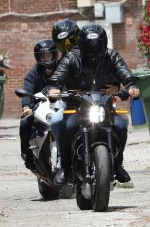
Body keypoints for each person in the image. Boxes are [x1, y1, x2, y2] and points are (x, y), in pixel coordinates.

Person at [49, 23, 139, 185]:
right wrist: (54, 88)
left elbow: (125, 73)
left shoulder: (112, 56)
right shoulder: (72, 57)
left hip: (104, 106)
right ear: (82, 45)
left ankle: (117, 165)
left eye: (97, 48)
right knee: (67, 127)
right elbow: (58, 77)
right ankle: (66, 168)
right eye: (89, 48)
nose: (93, 52)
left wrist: (132, 86)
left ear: (103, 44)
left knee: (120, 125)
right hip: (76, 106)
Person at [19, 39, 58, 170]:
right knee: (25, 122)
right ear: (38, 57)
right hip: (40, 107)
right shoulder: (34, 73)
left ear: (53, 54)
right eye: (43, 56)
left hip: (62, 105)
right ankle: (27, 155)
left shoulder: (62, 68)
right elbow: (27, 90)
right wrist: (26, 106)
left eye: (48, 55)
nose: (46, 58)